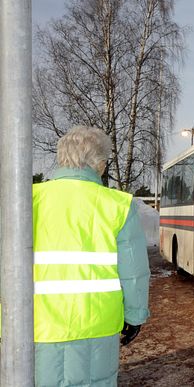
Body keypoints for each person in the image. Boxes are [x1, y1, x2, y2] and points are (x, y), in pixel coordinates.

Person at [32, 126, 150, 386]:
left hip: (37, 326)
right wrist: (135, 316)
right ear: (99, 163)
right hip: (98, 327)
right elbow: (133, 272)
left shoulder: (28, 199)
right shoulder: (118, 205)